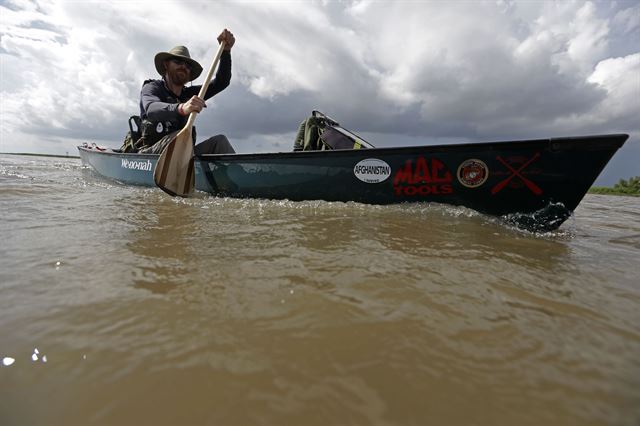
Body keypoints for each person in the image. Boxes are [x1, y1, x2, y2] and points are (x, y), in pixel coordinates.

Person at [138, 29, 236, 155]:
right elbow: (151, 108)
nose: (184, 66)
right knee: (178, 137)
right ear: (166, 65)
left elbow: (221, 82)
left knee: (220, 141)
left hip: (182, 156)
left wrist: (226, 52)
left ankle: (239, 174)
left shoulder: (189, 94)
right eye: (178, 62)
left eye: (188, 66)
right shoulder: (153, 87)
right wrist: (182, 108)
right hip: (151, 155)